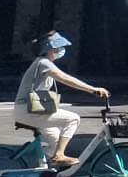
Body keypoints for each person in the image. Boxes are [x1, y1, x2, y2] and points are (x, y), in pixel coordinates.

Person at [14, 31, 108, 167]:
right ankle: (59, 155)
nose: (61, 51)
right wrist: (93, 89)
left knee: (56, 140)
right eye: (59, 48)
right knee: (73, 119)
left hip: (29, 110)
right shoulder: (44, 63)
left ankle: (37, 167)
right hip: (29, 110)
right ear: (51, 49)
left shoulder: (42, 63)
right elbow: (67, 79)